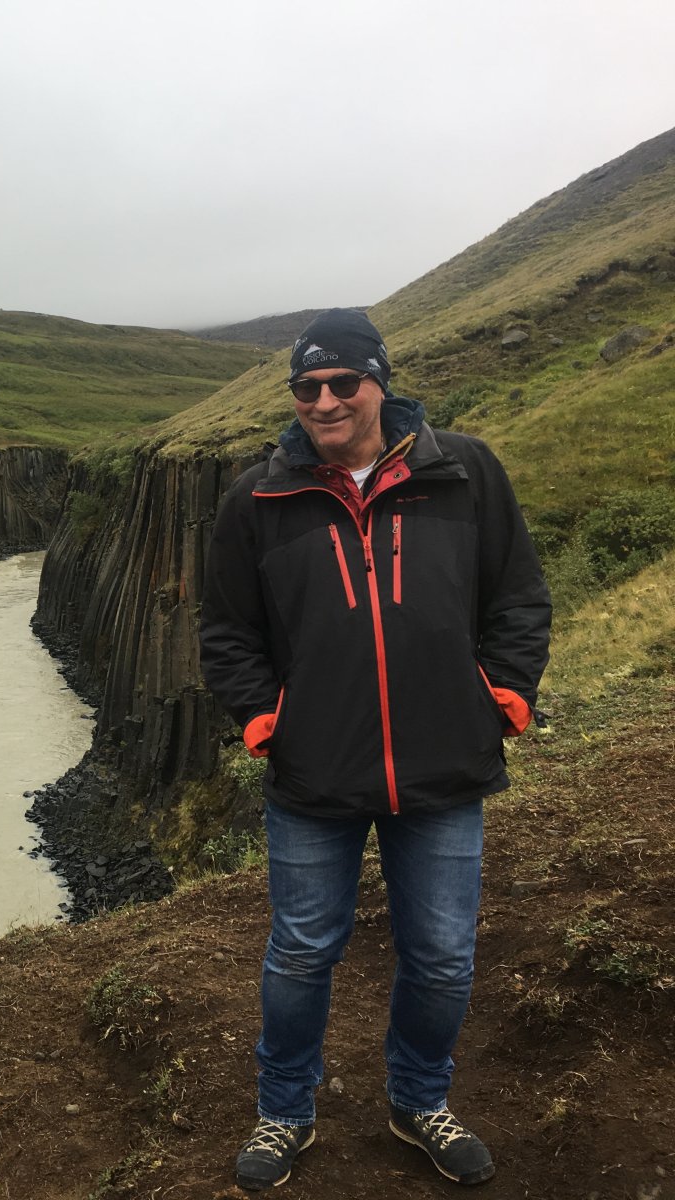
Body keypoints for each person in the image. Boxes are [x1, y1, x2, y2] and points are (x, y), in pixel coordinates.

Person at [198, 308, 551, 1191]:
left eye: (342, 382)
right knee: (301, 952)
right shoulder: (257, 498)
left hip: (445, 763)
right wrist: (264, 719)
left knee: (442, 955)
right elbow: (228, 630)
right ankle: (284, 1112)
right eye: (306, 386)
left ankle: (419, 1100)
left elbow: (517, 595)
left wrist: (504, 697)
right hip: (313, 770)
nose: (324, 401)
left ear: (378, 382)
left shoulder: (464, 470)